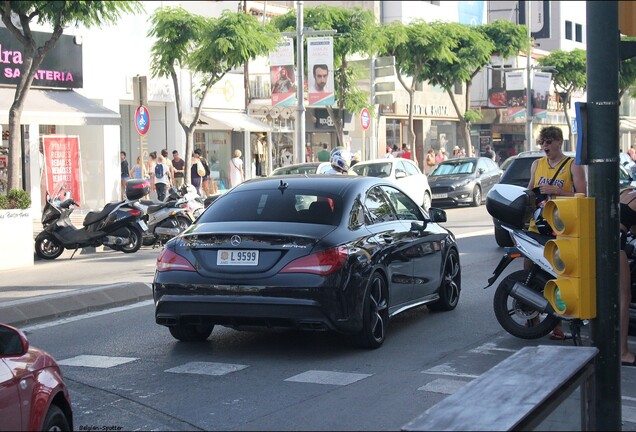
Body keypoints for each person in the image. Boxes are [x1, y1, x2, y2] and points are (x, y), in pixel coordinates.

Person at [526, 126, 587, 340]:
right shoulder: (537, 164)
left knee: (559, 275)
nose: (545, 146)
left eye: (549, 142)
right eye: (542, 142)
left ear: (559, 142)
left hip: (563, 228)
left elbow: (582, 195)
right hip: (538, 226)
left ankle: (558, 324)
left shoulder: (573, 165)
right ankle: (532, 321)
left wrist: (558, 192)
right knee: (529, 270)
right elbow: (530, 193)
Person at [618, 188, 636, 366]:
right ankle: (622, 351)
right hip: (615, 241)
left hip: (596, 237)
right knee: (624, 296)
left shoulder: (626, 191)